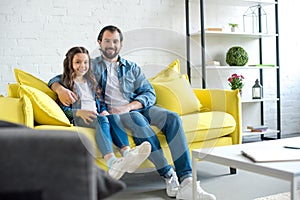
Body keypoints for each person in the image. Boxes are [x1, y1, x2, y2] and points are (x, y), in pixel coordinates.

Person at [49, 26, 216, 200]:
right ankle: (168, 175)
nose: (111, 45)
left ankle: (187, 180)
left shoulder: (132, 67)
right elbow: (63, 76)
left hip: (138, 107)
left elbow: (149, 93)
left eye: (115, 41)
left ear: (121, 44)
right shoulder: (92, 66)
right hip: (116, 114)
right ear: (99, 43)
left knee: (172, 118)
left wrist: (129, 106)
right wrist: (58, 88)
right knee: (135, 119)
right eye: (107, 41)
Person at [57, 46, 151, 180]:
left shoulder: (91, 81)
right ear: (70, 64)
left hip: (96, 115)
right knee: (102, 120)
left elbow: (100, 104)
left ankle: (127, 154)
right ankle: (111, 162)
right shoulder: (64, 85)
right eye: (77, 62)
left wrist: (104, 111)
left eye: (85, 62)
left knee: (112, 117)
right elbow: (64, 111)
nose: (82, 66)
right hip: (80, 118)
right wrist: (79, 113)